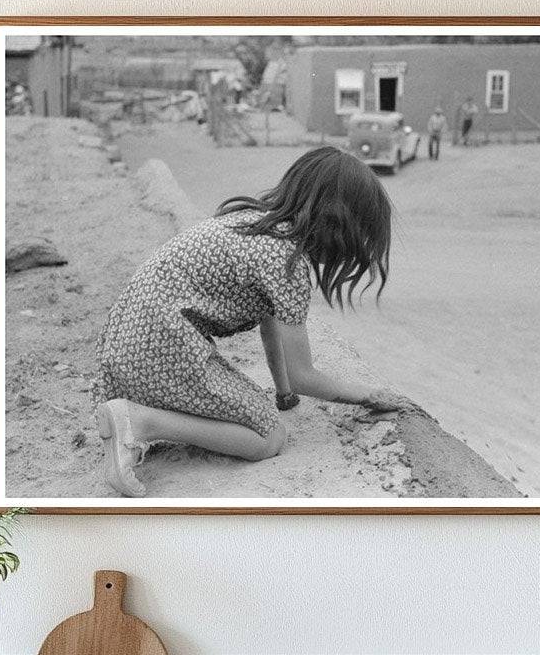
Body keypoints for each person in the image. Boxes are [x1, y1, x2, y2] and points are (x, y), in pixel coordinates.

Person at [93, 146, 405, 497]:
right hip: (162, 345)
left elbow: (269, 324)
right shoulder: (287, 263)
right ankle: (138, 422)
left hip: (129, 341)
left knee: (255, 412)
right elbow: (306, 376)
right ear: (341, 224)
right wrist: (370, 395)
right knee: (269, 437)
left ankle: (135, 417)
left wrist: (283, 393)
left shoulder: (258, 225)